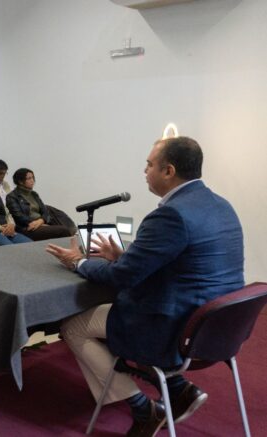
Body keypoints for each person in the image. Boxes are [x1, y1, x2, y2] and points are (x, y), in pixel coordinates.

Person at [46, 137, 244, 436]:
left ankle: (143, 408)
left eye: (149, 165)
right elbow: (184, 263)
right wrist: (125, 258)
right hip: (218, 326)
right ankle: (177, 388)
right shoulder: (221, 205)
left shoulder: (171, 214)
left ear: (169, 171)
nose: (144, 171)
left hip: (174, 325)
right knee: (110, 313)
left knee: (74, 325)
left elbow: (121, 278)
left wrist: (79, 262)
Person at [6, 168, 72, 241]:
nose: (32, 181)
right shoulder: (12, 196)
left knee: (67, 227)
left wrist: (40, 221)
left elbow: (45, 212)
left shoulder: (34, 194)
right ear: (20, 181)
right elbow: (19, 217)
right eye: (29, 178)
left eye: (33, 178)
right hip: (27, 228)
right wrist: (38, 223)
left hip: (40, 223)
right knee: (63, 231)